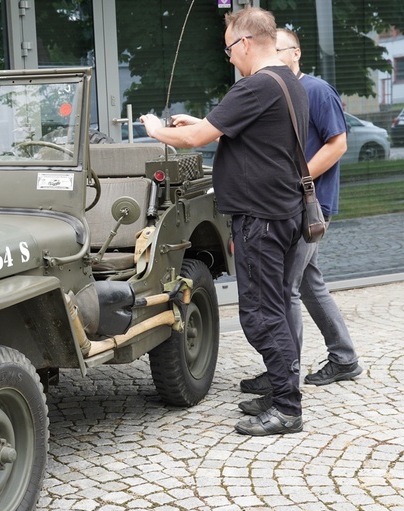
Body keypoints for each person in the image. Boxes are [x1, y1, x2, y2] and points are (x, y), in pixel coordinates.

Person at [140, 7, 307, 436]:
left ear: (247, 43)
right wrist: (203, 122)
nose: (230, 56)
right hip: (281, 213)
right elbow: (250, 132)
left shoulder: (254, 87)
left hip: (260, 220)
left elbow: (195, 141)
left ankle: (287, 407)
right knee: (274, 309)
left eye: (230, 47)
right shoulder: (287, 82)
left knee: (260, 315)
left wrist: (158, 129)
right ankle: (279, 388)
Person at [238, 29, 363, 410]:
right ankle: (343, 357)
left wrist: (299, 180)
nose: (272, 57)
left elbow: (338, 143)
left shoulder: (317, 89)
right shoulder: (276, 90)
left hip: (309, 204)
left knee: (283, 288)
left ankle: (283, 374)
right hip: (291, 203)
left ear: (296, 54)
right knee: (308, 283)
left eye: (279, 51)